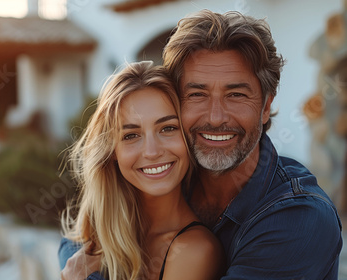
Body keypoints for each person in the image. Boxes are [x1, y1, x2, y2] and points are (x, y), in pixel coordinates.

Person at [59, 10, 343, 279]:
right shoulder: (168, 175)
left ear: (266, 106)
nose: (216, 118)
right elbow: (79, 240)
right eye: (197, 94)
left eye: (236, 95)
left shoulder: (299, 219)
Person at [60, 61, 224, 280]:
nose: (152, 151)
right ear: (112, 151)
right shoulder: (101, 231)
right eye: (131, 135)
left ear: (187, 137)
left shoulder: (194, 249)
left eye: (168, 128)